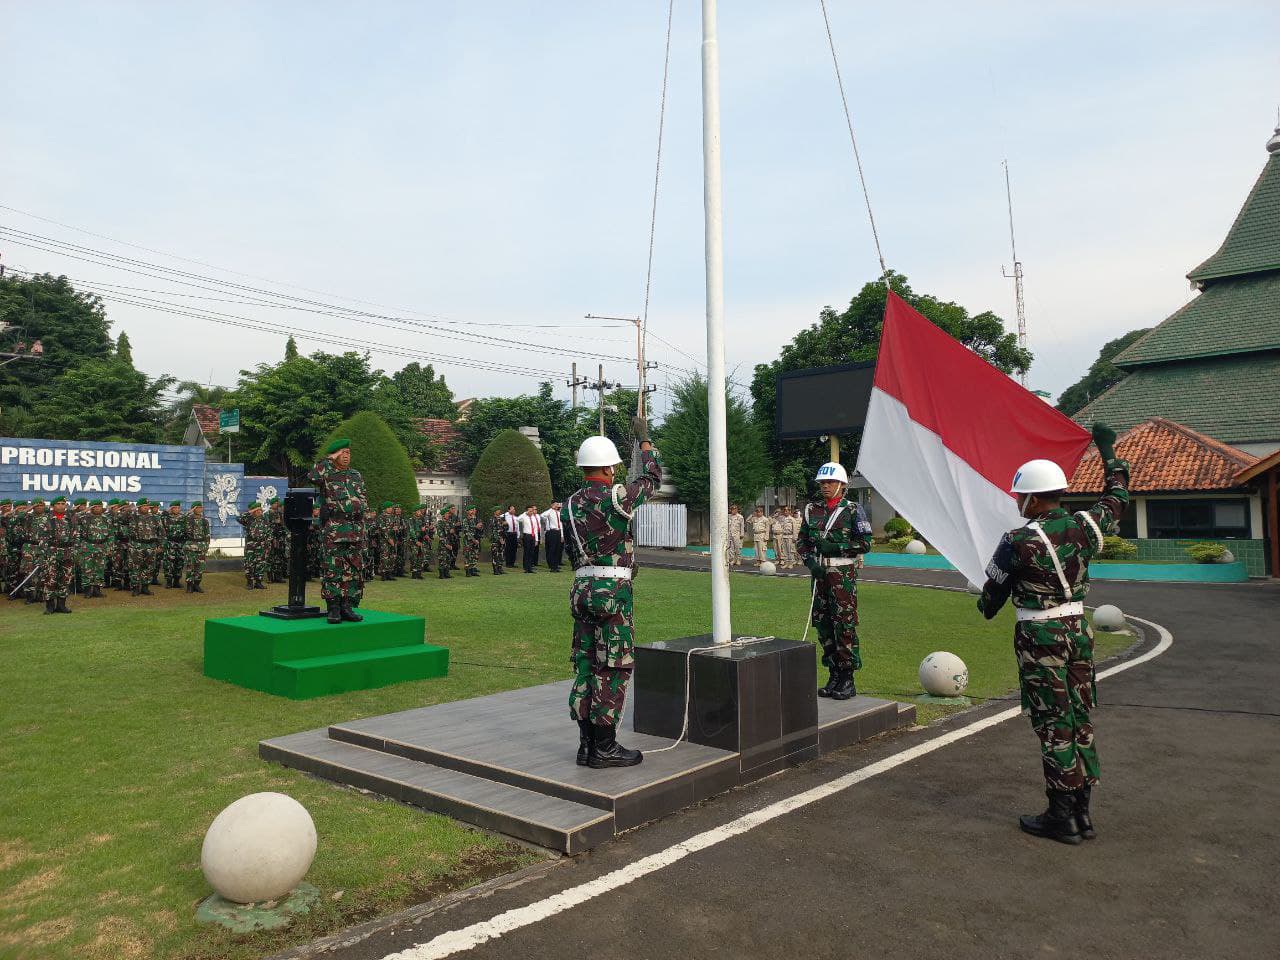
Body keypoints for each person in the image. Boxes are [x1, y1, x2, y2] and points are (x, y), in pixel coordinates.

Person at [977, 424, 1129, 845]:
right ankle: (1083, 814)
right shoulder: (1086, 526)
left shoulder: (1017, 540)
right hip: (1078, 631)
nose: (1016, 501)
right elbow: (1117, 496)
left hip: (1039, 637)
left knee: (1052, 722)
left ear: (1030, 496)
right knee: (1079, 717)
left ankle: (1061, 816)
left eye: (1018, 495)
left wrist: (986, 597)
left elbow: (990, 603)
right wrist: (1109, 454)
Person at [562, 418, 662, 769]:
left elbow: (569, 549)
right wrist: (646, 444)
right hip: (612, 591)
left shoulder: (569, 504)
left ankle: (586, 746)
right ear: (607, 467)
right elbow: (651, 480)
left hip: (581, 587)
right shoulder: (617, 497)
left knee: (586, 663)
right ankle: (605, 747)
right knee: (615, 665)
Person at [797, 462, 873, 700]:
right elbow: (803, 541)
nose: (825, 486)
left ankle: (848, 677)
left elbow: (865, 544)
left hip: (842, 575)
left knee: (844, 625)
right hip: (819, 574)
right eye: (822, 483)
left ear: (842, 484)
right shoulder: (812, 509)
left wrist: (836, 546)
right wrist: (810, 562)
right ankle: (833, 674)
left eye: (830, 482)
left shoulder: (852, 510)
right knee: (823, 624)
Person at [307, 438, 368, 624]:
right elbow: (312, 476)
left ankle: (347, 606)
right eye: (343, 453)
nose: (347, 456)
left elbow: (363, 497)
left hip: (355, 529)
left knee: (353, 569)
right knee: (333, 569)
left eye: (349, 453)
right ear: (336, 456)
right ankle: (333, 607)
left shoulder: (356, 475)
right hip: (335, 530)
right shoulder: (327, 473)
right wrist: (329, 458)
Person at [128, 498, 164, 597]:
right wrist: (132, 509)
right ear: (139, 507)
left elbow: (161, 532)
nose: (146, 508)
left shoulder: (155, 518)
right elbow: (119, 517)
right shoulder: (133, 516)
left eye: (148, 506)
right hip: (136, 545)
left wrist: (161, 545)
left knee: (149, 567)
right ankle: (135, 588)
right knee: (135, 567)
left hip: (150, 546)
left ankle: (145, 587)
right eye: (144, 506)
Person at [79, 500, 113, 598]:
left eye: (99, 506)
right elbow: (73, 518)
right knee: (87, 569)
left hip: (102, 547)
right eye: (95, 506)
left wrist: (110, 547)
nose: (97, 508)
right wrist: (84, 511)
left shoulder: (106, 519)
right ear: (91, 508)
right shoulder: (84, 518)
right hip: (88, 546)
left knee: (100, 569)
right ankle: (88, 590)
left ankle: (97, 590)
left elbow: (111, 534)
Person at [184, 501, 211, 592]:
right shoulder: (188, 519)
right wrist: (190, 511)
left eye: (200, 508)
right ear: (193, 509)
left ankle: (196, 584)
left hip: (201, 546)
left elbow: (207, 534)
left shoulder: (204, 521)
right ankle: (189, 585)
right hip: (191, 545)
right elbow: (182, 518)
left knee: (200, 567)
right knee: (190, 566)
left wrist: (206, 545)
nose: (199, 509)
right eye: (197, 508)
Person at [162, 501, 186, 588]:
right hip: (170, 543)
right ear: (171, 509)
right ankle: (169, 581)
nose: (177, 509)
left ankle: (176, 581)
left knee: (179, 562)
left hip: (180, 543)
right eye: (174, 508)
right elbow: (160, 516)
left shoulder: (183, 517)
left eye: (178, 508)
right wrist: (168, 511)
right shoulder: (166, 517)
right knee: (168, 563)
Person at [540, 501, 564, 572]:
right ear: (552, 505)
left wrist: (562, 535)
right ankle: (551, 566)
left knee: (557, 550)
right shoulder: (549, 512)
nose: (557, 506)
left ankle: (556, 566)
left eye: (557, 504)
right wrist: (551, 509)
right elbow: (542, 516)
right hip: (551, 532)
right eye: (556, 504)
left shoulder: (559, 513)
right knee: (552, 549)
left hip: (558, 532)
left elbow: (561, 525)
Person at [518, 505, 541, 573]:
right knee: (526, 552)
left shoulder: (534, 518)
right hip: (527, 536)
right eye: (530, 511)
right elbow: (518, 519)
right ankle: (526, 567)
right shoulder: (524, 517)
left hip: (533, 536)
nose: (532, 512)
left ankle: (530, 567)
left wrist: (536, 539)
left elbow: (535, 529)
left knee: (531, 552)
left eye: (532, 511)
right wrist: (524, 513)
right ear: (527, 511)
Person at [436, 504, 457, 578]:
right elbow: (441, 535)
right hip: (443, 545)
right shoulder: (440, 523)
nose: (448, 515)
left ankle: (447, 573)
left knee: (448, 559)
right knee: (442, 559)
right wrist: (446, 544)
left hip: (449, 543)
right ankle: (441, 574)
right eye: (446, 513)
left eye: (448, 513)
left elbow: (452, 534)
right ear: (443, 515)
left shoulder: (450, 523)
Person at [462, 505, 482, 576]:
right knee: (468, 556)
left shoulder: (474, 519)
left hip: (475, 540)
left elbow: (478, 530)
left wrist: (479, 527)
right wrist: (473, 540)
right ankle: (468, 571)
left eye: (473, 510)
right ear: (467, 512)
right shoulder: (465, 520)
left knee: (474, 555)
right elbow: (467, 532)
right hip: (468, 541)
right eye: (471, 510)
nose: (473, 511)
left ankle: (472, 570)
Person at [488, 508, 506, 575]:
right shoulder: (492, 520)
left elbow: (504, 529)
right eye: (498, 510)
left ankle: (500, 568)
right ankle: (495, 569)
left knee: (501, 554)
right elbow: (493, 530)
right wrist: (499, 538)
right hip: (495, 540)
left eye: (499, 510)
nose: (499, 512)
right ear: (495, 512)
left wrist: (503, 538)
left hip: (502, 540)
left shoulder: (501, 519)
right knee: (495, 554)